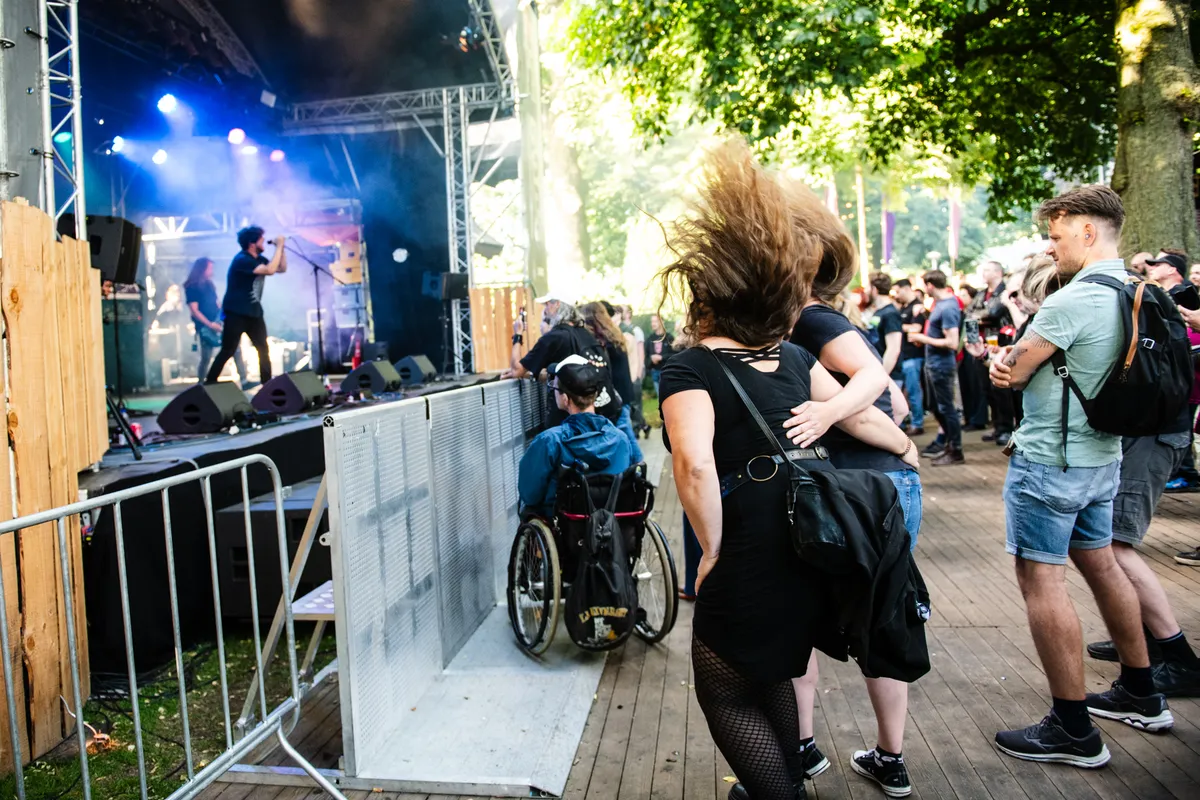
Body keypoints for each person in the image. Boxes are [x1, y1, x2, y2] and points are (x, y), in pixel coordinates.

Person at [659, 142, 919, 800]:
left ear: (705, 299)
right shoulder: (795, 360)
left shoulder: (690, 368)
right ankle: (788, 783)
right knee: (772, 667)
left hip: (749, 545)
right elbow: (861, 415)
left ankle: (779, 791)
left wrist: (711, 551)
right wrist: (905, 448)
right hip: (808, 545)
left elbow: (694, 466)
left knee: (724, 686)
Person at [988, 185, 1171, 768]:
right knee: (1102, 563)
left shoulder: (1071, 301)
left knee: (1041, 580)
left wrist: (1002, 364)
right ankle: (1142, 692)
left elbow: (1014, 372)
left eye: (1056, 234)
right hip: (1104, 456)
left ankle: (1072, 727)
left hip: (1052, 460)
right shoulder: (1138, 289)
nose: (1051, 246)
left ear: (1087, 231)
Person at [788, 222, 922, 800]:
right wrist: (899, 439)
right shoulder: (820, 320)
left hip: (858, 487)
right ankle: (889, 758)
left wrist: (890, 438)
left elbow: (868, 399)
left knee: (813, 615)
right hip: (872, 483)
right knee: (879, 617)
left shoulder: (811, 321)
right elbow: (889, 399)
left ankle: (802, 748)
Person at [517, 357, 635, 519]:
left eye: (555, 388)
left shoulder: (550, 441)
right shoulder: (621, 439)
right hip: (613, 522)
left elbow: (529, 494)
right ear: (595, 395)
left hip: (563, 523)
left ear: (565, 399)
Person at [505, 294, 622, 428]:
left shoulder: (555, 337)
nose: (545, 309)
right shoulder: (585, 333)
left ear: (557, 305)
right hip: (601, 415)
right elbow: (565, 371)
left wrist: (518, 334)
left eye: (547, 304)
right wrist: (530, 373)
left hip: (570, 424)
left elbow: (516, 370)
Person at [1145, 251, 1200, 493]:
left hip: (1188, 378)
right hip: (1178, 375)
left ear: (1172, 269)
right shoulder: (1160, 293)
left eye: (1159, 263)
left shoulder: (1184, 293)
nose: (1152, 267)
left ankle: (1185, 473)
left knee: (1181, 425)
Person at [204, 226, 286, 386]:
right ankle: (209, 384)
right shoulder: (242, 260)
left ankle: (267, 387)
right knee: (228, 350)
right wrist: (279, 246)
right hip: (236, 313)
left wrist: (281, 249)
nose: (264, 242)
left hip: (254, 313)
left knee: (263, 349)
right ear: (252, 243)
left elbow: (281, 268)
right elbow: (269, 270)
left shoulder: (258, 259)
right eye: (261, 239)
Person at [908, 271, 964, 465]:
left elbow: (952, 342)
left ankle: (956, 450)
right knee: (936, 406)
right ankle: (949, 445)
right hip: (933, 364)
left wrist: (922, 338)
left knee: (946, 408)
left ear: (930, 285)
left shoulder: (948, 307)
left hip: (942, 365)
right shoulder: (940, 304)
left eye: (925, 285)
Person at [580, 301, 644, 462]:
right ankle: (636, 465)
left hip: (617, 395)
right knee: (625, 431)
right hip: (623, 392)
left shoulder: (603, 342)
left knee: (625, 432)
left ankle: (638, 465)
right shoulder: (614, 334)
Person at [969, 261, 1016, 447]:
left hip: (1002, 344)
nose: (983, 273)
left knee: (1001, 389)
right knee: (987, 389)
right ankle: (997, 426)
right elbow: (969, 313)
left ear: (997, 272)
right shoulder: (981, 293)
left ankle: (1006, 428)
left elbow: (994, 312)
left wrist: (979, 316)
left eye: (987, 270)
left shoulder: (1005, 292)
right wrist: (981, 316)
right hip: (983, 346)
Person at [184, 257, 247, 386]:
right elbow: (194, 311)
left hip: (218, 323)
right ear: (202, 269)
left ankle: (244, 380)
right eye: (210, 268)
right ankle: (201, 384)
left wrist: (224, 318)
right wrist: (210, 324)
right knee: (206, 357)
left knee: (235, 348)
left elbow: (217, 304)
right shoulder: (192, 287)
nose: (212, 271)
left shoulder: (209, 284)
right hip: (205, 326)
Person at [894, 279, 927, 434]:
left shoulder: (917, 307)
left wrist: (896, 326)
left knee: (914, 392)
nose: (896, 295)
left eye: (897, 291)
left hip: (913, 356)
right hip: (904, 356)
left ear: (906, 289)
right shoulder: (904, 307)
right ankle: (907, 422)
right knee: (904, 393)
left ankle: (917, 424)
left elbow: (916, 328)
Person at [619, 305, 651, 438]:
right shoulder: (618, 330)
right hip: (626, 372)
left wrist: (639, 371)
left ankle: (637, 428)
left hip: (635, 371)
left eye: (622, 311)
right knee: (631, 403)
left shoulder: (636, 330)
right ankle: (644, 426)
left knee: (636, 403)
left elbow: (640, 352)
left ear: (628, 313)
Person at [864, 273, 904, 379]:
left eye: (867, 287)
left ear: (874, 289)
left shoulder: (890, 313)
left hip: (890, 377)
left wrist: (881, 377)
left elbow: (893, 349)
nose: (865, 291)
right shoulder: (880, 311)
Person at [646, 313, 674, 397]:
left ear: (662, 322)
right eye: (652, 321)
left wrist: (661, 357)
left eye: (655, 321)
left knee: (669, 396)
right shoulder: (650, 338)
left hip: (667, 371)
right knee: (660, 398)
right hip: (655, 371)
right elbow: (646, 355)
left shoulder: (669, 337)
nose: (653, 324)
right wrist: (651, 359)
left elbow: (675, 354)